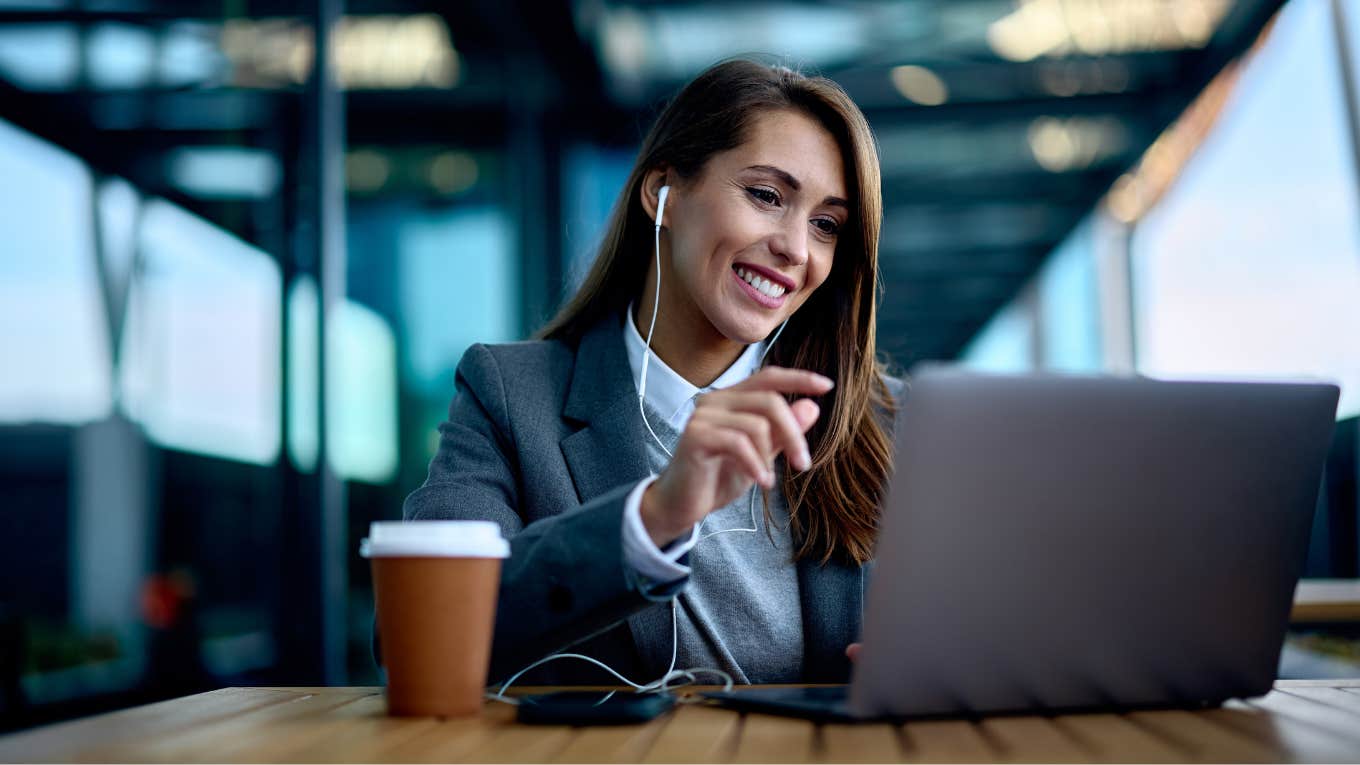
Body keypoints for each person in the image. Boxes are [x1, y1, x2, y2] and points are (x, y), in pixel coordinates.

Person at [403, 58, 902, 686]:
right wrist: (655, 516)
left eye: (827, 225)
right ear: (661, 194)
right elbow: (420, 635)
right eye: (767, 196)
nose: (796, 249)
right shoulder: (510, 395)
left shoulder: (888, 424)